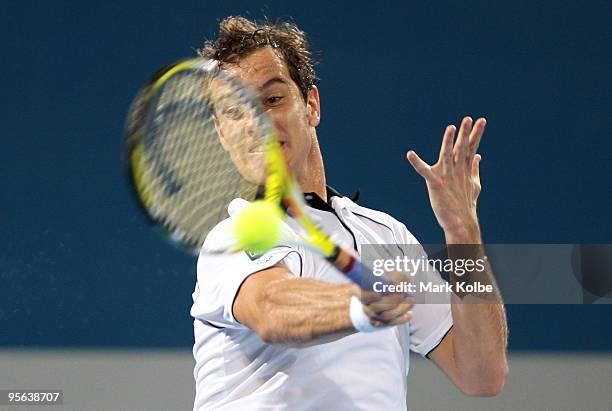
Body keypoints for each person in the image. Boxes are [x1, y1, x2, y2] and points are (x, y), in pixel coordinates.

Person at [190, 16, 508, 411]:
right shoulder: (235, 234)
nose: (258, 123)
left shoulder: (386, 235)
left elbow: (481, 373)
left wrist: (462, 235)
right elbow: (272, 310)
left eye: (273, 100)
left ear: (311, 105)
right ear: (222, 133)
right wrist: (361, 305)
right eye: (235, 111)